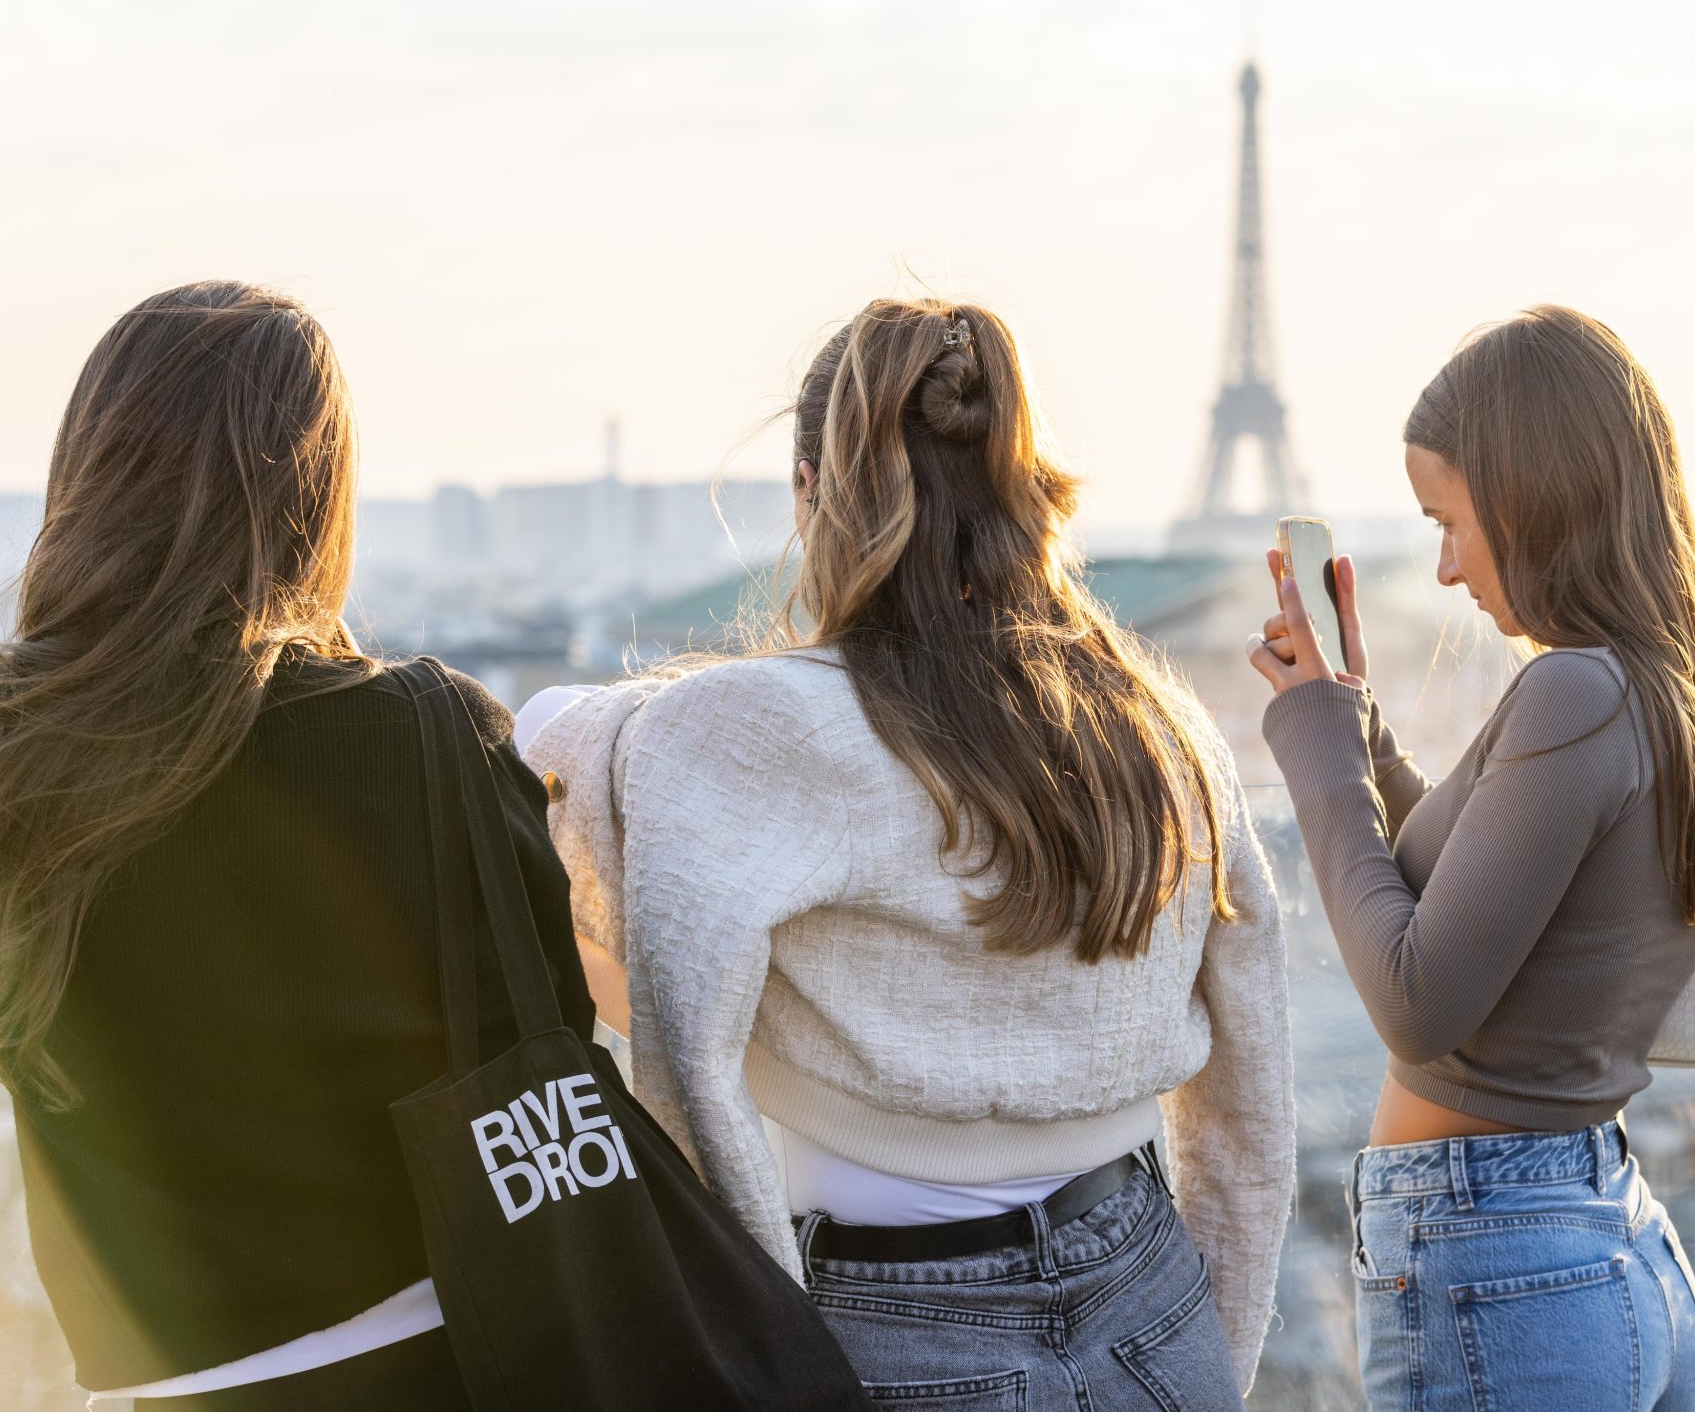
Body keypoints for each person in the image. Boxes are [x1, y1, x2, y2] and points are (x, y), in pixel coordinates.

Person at [526, 298, 1294, 1405]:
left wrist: (767, 1346)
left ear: (810, 494)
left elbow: (688, 1071)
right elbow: (1250, 1099)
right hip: (1150, 1293)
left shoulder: (741, 734)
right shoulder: (1156, 724)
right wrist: (1217, 1346)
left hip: (892, 1324)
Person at [0, 284, 595, 1410]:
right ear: (318, 493)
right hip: (448, 1356)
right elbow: (545, 1027)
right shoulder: (433, 730)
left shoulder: (19, 749)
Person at [1250, 304, 1695, 1411]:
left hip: (1501, 1264)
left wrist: (1312, 748)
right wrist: (1354, 721)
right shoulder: (1664, 690)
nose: (1445, 570)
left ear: (1532, 495)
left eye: (1450, 521)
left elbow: (1418, 1000)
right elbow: (1478, 888)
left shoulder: (1572, 691)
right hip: (1587, 1241)